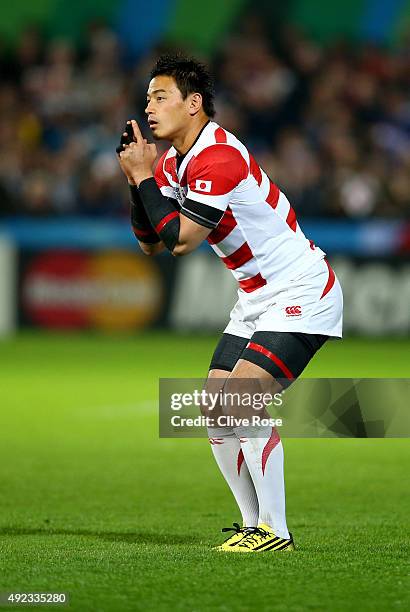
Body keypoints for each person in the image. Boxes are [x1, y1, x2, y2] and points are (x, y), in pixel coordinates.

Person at [116, 54, 343, 553]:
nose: (149, 108)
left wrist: (143, 178)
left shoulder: (218, 157)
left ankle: (276, 531)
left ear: (193, 104)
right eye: (148, 98)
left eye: (161, 97)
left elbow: (179, 240)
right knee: (215, 409)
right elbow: (149, 244)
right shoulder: (175, 162)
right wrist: (141, 180)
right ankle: (251, 524)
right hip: (257, 297)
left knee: (239, 402)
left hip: (302, 289)